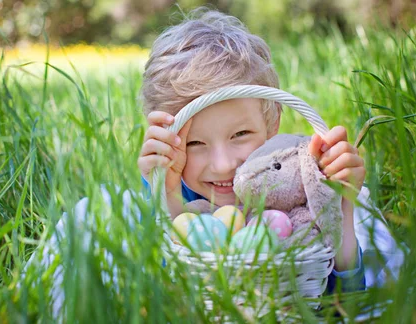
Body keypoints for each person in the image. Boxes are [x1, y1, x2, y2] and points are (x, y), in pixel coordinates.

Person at [137, 8, 367, 292]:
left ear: (272, 125)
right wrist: (169, 197)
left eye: (241, 134)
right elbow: (165, 294)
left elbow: (344, 302)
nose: (222, 165)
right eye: (194, 143)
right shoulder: (165, 189)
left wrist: (341, 207)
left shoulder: (298, 189)